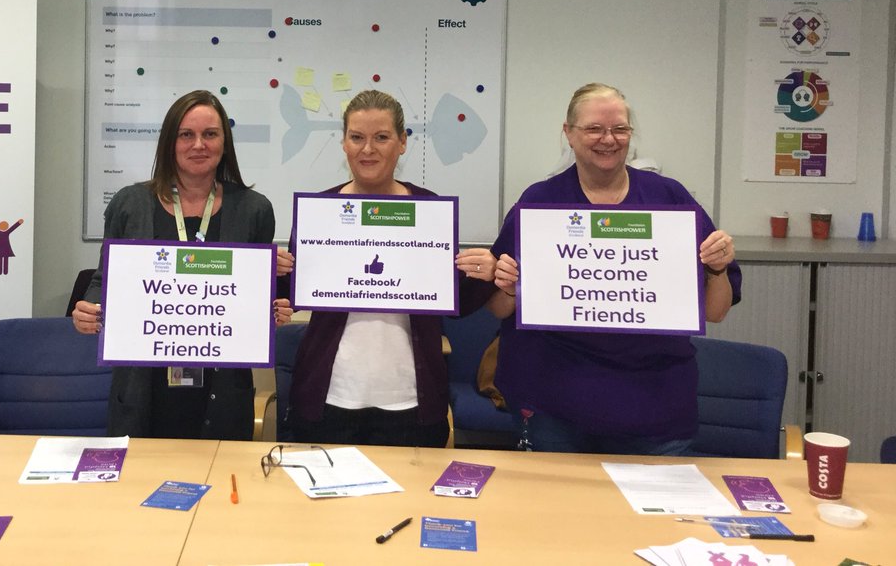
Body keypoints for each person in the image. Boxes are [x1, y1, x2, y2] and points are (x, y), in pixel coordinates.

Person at [487, 82, 742, 455]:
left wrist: (718, 268)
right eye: (594, 128)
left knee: (653, 512)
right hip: (553, 402)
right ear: (569, 134)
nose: (608, 139)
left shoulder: (668, 199)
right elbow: (499, 306)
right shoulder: (540, 203)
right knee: (554, 511)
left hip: (653, 405)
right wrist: (508, 284)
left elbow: (716, 311)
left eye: (620, 128)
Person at [72, 90, 292, 441]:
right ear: (169, 142)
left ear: (224, 141)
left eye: (210, 134)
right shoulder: (130, 204)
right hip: (144, 389)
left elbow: (254, 301)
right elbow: (104, 280)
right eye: (186, 134)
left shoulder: (254, 209)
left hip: (222, 391)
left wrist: (275, 306)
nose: (198, 145)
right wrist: (88, 309)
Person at [286, 89, 499, 448]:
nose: (367, 149)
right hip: (330, 397)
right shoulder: (319, 212)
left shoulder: (428, 208)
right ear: (344, 143)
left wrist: (487, 271)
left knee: (407, 504)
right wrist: (274, 273)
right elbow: (292, 291)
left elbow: (454, 299)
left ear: (402, 142)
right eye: (357, 137)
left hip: (410, 401)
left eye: (381, 137)